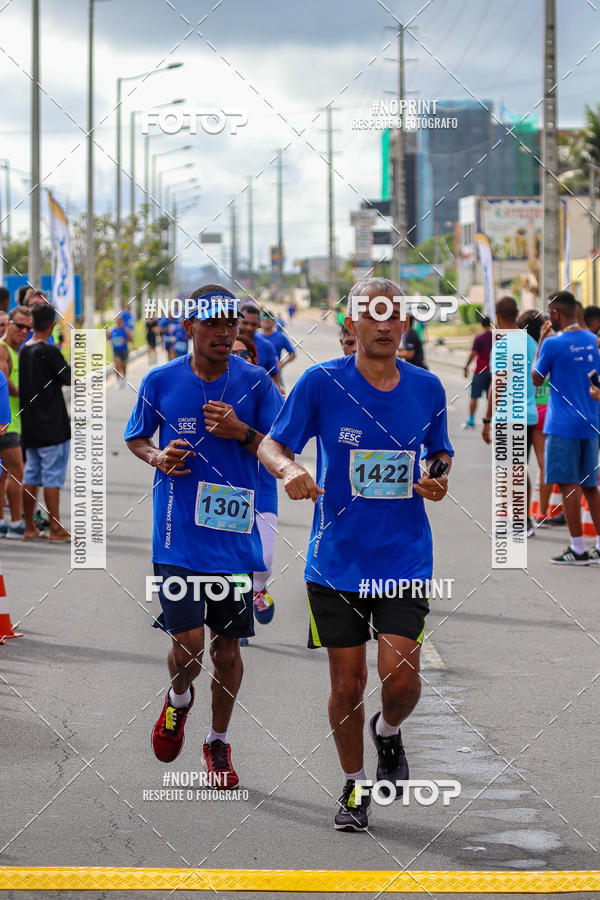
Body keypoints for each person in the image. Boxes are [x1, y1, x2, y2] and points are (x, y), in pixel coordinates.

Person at [258, 277, 453, 831]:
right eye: (375, 314)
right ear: (352, 325)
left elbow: (438, 454)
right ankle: (353, 784)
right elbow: (272, 443)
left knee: (401, 680)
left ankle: (388, 732)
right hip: (335, 559)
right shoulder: (320, 384)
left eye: (396, 316)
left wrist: (438, 478)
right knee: (346, 684)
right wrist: (291, 470)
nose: (386, 324)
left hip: (404, 557)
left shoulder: (428, 388)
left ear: (406, 325)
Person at [124, 284, 283, 787]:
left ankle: (217, 742)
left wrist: (243, 433)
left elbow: (283, 445)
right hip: (176, 538)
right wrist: (157, 458)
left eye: (230, 322)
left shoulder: (255, 383)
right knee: (190, 647)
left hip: (234, 539)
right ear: (188, 327)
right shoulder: (161, 380)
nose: (223, 331)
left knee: (227, 651)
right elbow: (135, 435)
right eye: (211, 323)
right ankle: (177, 701)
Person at [532, 290, 600, 564]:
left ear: (555, 314)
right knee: (591, 486)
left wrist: (540, 342)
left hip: (562, 426)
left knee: (569, 486)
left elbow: (536, 379)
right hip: (592, 423)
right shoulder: (595, 341)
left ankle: (578, 549)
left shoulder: (553, 344)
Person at [230, 333, 279, 643]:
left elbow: (282, 439)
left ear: (254, 359)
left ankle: (259, 588)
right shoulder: (207, 388)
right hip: (227, 493)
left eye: (244, 354)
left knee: (264, 561)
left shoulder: (264, 389)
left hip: (262, 488)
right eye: (232, 353)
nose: (237, 358)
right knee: (235, 560)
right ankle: (240, 614)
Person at [482, 296, 538, 538]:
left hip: (508, 414)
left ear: (498, 316)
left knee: (511, 469)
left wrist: (486, 419)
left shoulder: (503, 344)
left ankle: (521, 522)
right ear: (516, 313)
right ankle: (521, 519)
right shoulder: (531, 342)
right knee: (518, 468)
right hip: (528, 413)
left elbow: (498, 384)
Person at [19, 302, 72, 542]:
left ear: (32, 323)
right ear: (51, 325)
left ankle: (29, 527)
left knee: (31, 475)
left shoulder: (24, 350)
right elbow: (67, 378)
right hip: (52, 426)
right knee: (52, 477)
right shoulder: (49, 351)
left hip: (30, 426)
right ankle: (55, 529)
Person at [518, 310, 556, 528]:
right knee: (544, 464)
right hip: (546, 407)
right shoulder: (549, 346)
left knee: (519, 465)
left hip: (527, 409)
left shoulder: (523, 348)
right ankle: (542, 512)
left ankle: (521, 514)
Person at [0, 306, 33, 537]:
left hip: (14, 421)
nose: (24, 330)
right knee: (16, 471)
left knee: (4, 474)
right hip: (7, 423)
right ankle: (14, 523)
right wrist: (29, 395)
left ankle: (3, 521)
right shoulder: (2, 350)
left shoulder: (15, 350)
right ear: (8, 324)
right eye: (20, 325)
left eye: (28, 327)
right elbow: (5, 382)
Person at [239, 304, 281, 387]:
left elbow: (274, 375)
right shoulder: (226, 343)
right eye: (245, 323)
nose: (249, 328)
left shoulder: (267, 346)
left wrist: (277, 391)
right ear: (237, 322)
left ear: (259, 324)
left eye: (253, 324)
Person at [462, 316, 492, 429]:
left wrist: (466, 366)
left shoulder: (478, 338)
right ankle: (491, 420)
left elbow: (473, 354)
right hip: (493, 371)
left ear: (481, 325)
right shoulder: (496, 337)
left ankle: (471, 419)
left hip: (480, 371)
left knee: (474, 396)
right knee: (492, 397)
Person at [260, 311, 296, 383]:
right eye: (264, 317)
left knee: (279, 393)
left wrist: (282, 364)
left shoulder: (281, 337)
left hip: (275, 376)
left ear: (274, 322)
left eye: (270, 318)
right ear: (260, 322)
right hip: (258, 375)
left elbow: (293, 354)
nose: (267, 320)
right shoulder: (256, 337)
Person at [108, 314, 133, 388]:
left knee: (123, 366)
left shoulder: (126, 329)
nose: (118, 322)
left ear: (122, 321)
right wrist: (110, 341)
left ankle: (124, 377)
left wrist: (124, 340)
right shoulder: (112, 330)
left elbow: (131, 339)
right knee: (117, 365)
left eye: (120, 321)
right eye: (117, 321)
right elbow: (108, 338)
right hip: (116, 350)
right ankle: (118, 380)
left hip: (124, 350)